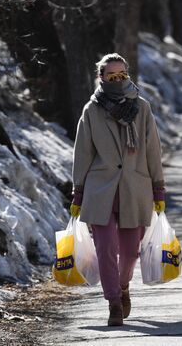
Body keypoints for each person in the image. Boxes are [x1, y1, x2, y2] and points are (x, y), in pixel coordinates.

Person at [70, 53, 166, 326]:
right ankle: (113, 301)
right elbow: (83, 154)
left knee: (130, 251)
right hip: (101, 190)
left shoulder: (142, 107)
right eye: (111, 76)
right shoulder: (92, 110)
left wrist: (158, 189)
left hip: (135, 187)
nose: (117, 80)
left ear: (127, 74)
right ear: (101, 77)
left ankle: (123, 286)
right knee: (106, 248)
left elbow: (151, 149)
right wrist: (78, 193)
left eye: (121, 74)